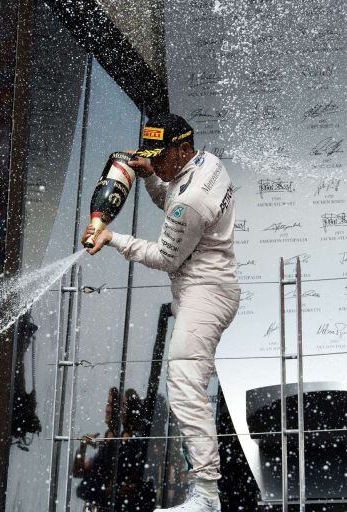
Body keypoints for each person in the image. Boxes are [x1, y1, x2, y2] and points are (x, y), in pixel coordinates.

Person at [81, 113, 240, 512]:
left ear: (183, 149)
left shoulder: (191, 200)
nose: (158, 164)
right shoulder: (207, 164)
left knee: (185, 381)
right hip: (207, 288)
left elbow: (166, 256)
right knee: (185, 381)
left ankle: (206, 497)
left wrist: (113, 237)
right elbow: (170, 200)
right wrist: (152, 174)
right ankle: (204, 493)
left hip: (206, 294)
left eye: (161, 157)